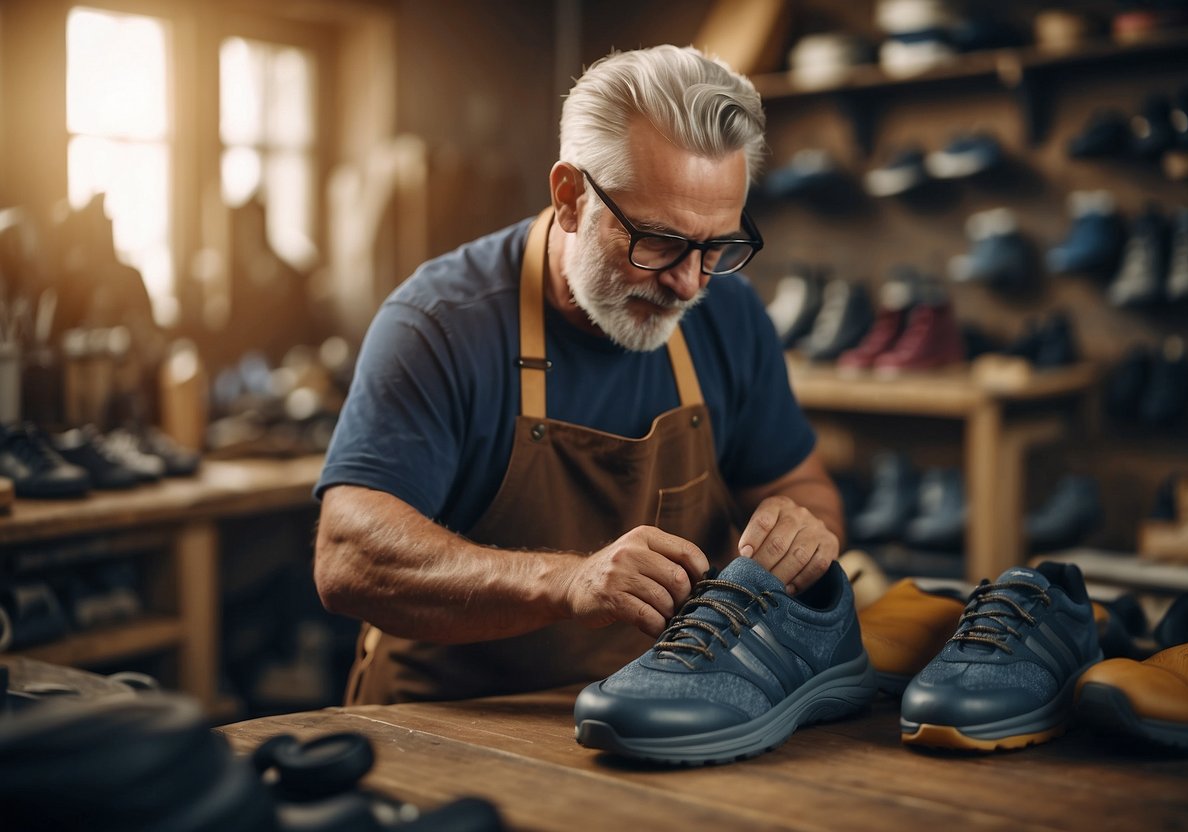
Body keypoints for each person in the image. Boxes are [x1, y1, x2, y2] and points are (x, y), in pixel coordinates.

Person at [314, 44, 844, 704]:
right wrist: (563, 583)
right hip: (452, 721)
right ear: (569, 198)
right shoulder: (441, 322)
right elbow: (348, 558)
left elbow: (800, 484)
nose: (687, 284)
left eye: (716, 246)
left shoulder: (728, 313)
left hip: (663, 709)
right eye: (656, 240)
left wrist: (800, 526)